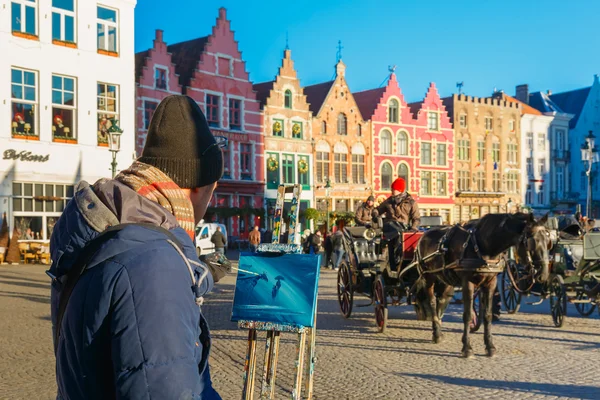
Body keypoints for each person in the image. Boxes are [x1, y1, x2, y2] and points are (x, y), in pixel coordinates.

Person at [48, 95, 227, 399]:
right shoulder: (156, 261)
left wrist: (203, 272)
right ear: (197, 186)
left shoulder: (108, 232)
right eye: (212, 190)